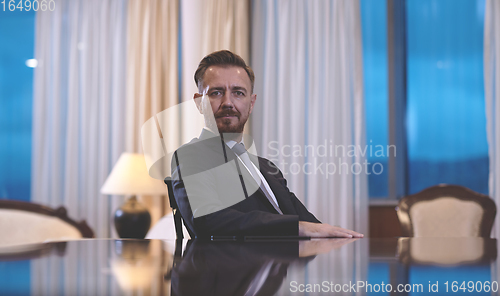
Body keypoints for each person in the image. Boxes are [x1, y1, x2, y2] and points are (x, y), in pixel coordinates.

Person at [170, 50, 363, 239]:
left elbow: (310, 226)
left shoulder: (267, 168)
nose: (228, 102)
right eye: (216, 92)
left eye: (238, 93)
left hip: (288, 267)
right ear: (198, 103)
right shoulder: (190, 157)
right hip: (235, 269)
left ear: (251, 103)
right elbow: (207, 220)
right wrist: (295, 228)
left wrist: (337, 235)